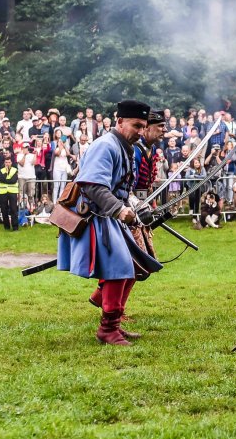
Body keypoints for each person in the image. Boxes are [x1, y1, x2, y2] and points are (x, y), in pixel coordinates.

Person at [57, 100, 162, 346]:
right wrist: (119, 209)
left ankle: (111, 320)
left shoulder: (126, 147)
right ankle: (107, 329)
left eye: (143, 126)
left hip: (110, 218)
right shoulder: (105, 146)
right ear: (119, 122)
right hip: (96, 217)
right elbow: (92, 185)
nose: (139, 130)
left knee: (135, 266)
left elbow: (123, 189)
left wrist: (135, 207)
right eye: (136, 125)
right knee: (120, 268)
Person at [0, 156, 20, 230]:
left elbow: (13, 180)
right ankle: (6, 227)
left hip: (12, 192)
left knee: (13, 209)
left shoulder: (15, 170)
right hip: (3, 192)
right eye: (6, 162)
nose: (7, 164)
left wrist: (5, 179)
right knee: (4, 210)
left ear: (11, 163)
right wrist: (6, 173)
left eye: (9, 162)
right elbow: (0, 178)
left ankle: (15, 227)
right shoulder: (1, 170)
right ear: (4, 163)